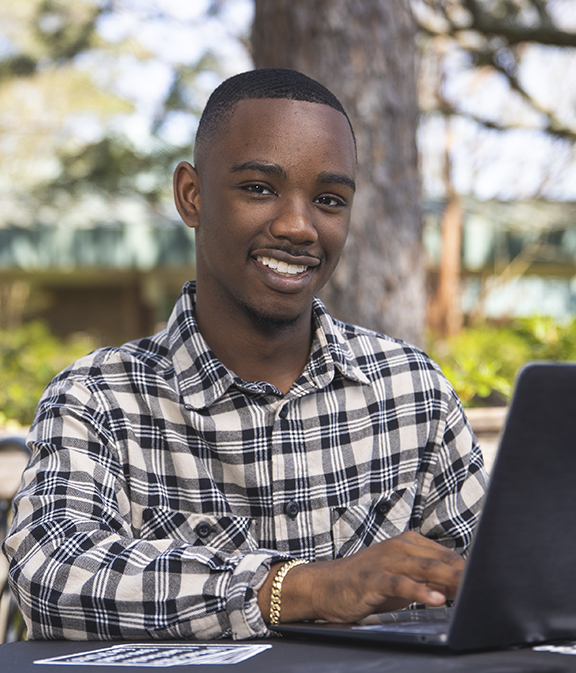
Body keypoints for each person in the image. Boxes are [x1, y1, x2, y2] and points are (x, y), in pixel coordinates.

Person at [3, 68, 487, 641]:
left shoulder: (411, 389)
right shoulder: (98, 398)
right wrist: (306, 588)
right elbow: (52, 576)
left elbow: (494, 578)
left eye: (329, 200)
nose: (298, 226)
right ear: (192, 195)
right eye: (259, 188)